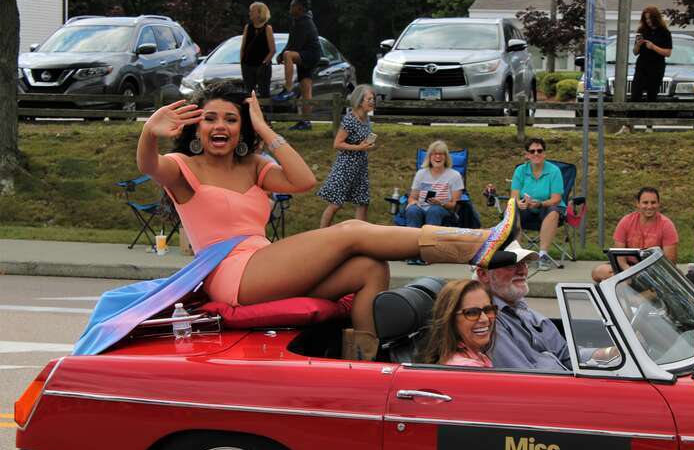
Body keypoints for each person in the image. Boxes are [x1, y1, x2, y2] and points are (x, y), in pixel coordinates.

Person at [136, 83, 520, 360]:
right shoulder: (183, 167)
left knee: (369, 267)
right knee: (351, 231)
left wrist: (266, 130)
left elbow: (303, 181)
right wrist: (149, 133)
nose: (220, 126)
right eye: (210, 119)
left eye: (231, 119)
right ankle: (481, 244)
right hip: (230, 275)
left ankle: (365, 357)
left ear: (242, 129)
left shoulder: (253, 166)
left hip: (266, 263)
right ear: (197, 128)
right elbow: (148, 165)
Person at [475, 241, 618, 371]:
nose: (522, 271)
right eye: (511, 265)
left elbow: (564, 353)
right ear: (483, 275)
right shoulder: (488, 321)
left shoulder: (525, 312)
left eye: (525, 264)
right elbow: (523, 376)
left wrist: (610, 353)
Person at [318, 84, 376, 227]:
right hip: (346, 167)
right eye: (369, 99)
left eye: (373, 99)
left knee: (363, 201)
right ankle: (321, 234)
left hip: (360, 167)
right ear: (359, 101)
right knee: (336, 204)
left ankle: (360, 236)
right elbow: (337, 144)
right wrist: (358, 147)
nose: (372, 102)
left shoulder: (366, 119)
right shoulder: (350, 120)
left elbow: (361, 142)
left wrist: (367, 146)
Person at [593, 186, 679, 278]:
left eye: (653, 203)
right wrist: (628, 272)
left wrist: (648, 275)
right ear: (638, 204)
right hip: (627, 267)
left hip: (654, 268)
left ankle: (635, 287)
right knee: (598, 272)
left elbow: (670, 260)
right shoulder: (626, 221)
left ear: (658, 204)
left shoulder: (667, 225)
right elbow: (619, 255)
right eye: (645, 203)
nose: (649, 206)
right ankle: (631, 284)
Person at [403, 141, 465, 266]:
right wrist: (412, 202)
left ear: (446, 157)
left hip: (443, 209)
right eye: (434, 154)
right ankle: (412, 253)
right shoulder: (421, 173)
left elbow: (454, 204)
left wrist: (440, 203)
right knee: (412, 210)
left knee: (434, 210)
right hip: (421, 206)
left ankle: (428, 254)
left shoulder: (454, 175)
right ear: (429, 157)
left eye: (441, 154)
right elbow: (412, 197)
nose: (438, 157)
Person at [510, 137, 564, 271]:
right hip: (527, 208)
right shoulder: (520, 170)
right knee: (513, 210)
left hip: (547, 206)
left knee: (554, 210)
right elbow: (514, 196)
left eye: (539, 150)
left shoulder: (554, 171)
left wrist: (540, 204)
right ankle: (517, 255)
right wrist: (519, 203)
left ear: (544, 153)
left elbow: (556, 198)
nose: (536, 154)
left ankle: (543, 256)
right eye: (532, 151)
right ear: (527, 155)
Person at [618, 6, 672, 134]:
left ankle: (649, 127)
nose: (648, 21)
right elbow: (635, 52)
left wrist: (653, 47)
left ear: (655, 18)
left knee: (651, 96)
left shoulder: (664, 32)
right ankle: (628, 126)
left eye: (650, 18)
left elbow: (668, 52)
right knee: (635, 94)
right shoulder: (642, 30)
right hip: (641, 66)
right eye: (645, 18)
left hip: (656, 67)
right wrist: (638, 45)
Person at [418, 280, 496, 367]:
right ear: (450, 320)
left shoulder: (473, 356)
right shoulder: (468, 367)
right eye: (472, 313)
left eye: (488, 310)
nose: (485, 319)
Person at [273, 0, 321, 131]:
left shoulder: (304, 22)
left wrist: (284, 55)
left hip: (310, 54)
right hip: (307, 54)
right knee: (306, 89)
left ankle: (288, 89)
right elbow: (291, 42)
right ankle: (305, 121)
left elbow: (295, 44)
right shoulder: (298, 20)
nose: (290, 7)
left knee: (289, 55)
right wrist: (282, 54)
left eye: (292, 5)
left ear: (299, 8)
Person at [240, 2, 275, 98]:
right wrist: (242, 62)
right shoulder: (248, 27)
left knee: (264, 93)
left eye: (252, 11)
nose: (250, 13)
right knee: (249, 93)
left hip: (262, 66)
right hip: (247, 65)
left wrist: (264, 63)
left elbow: (272, 50)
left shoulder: (267, 28)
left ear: (260, 13)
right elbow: (243, 47)